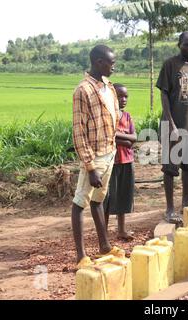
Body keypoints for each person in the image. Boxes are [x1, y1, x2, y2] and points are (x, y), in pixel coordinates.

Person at [71, 45, 121, 269]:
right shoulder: (83, 90)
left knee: (99, 200)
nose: (114, 66)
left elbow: (114, 119)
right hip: (94, 156)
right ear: (99, 62)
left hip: (109, 151)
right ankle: (81, 256)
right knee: (80, 202)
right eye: (111, 63)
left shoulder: (109, 87)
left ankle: (104, 246)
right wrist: (89, 167)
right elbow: (79, 132)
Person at [156, 31, 188, 224]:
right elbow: (164, 95)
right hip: (174, 125)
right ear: (179, 45)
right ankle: (169, 208)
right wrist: (170, 124)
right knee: (170, 169)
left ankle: (186, 202)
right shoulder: (170, 65)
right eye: (187, 45)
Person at [103, 84, 136, 240]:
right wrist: (123, 137)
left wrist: (117, 135)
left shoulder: (127, 116)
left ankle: (121, 230)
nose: (123, 99)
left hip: (127, 161)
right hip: (111, 163)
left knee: (123, 196)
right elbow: (107, 136)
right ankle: (103, 232)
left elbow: (133, 139)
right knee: (107, 198)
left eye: (125, 96)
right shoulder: (107, 116)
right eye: (120, 96)